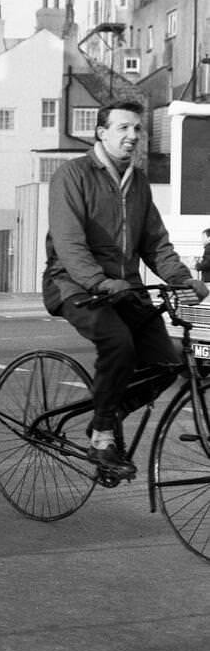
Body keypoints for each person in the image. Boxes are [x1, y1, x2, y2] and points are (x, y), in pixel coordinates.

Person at [43, 100, 209, 477]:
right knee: (118, 344)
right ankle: (102, 438)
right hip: (73, 285)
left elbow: (155, 244)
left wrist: (182, 281)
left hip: (124, 288)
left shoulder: (138, 184)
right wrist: (99, 281)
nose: (133, 136)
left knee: (167, 363)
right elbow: (70, 245)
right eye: (123, 128)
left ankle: (109, 410)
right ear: (101, 132)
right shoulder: (72, 176)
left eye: (137, 129)